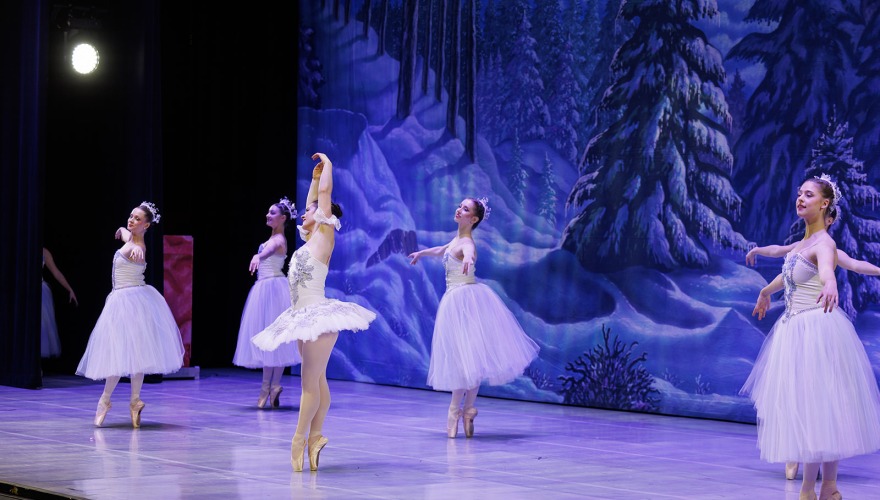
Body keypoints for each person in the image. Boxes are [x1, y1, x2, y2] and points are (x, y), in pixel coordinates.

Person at [740, 175, 880, 500]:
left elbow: (832, 269)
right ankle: (828, 488)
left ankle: (811, 489)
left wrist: (830, 283)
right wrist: (764, 286)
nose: (801, 198)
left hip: (816, 330)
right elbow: (784, 265)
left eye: (809, 194)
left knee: (818, 408)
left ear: (824, 203)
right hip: (794, 330)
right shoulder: (802, 245)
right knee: (815, 408)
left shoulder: (824, 244)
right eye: (799, 193)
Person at [252, 153, 376, 472]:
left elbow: (322, 200)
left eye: (311, 211)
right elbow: (314, 197)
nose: (305, 212)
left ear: (322, 217)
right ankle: (317, 436)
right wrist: (314, 178)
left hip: (319, 319)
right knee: (318, 383)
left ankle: (298, 440)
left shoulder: (324, 237)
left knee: (309, 385)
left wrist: (328, 168)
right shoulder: (307, 242)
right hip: (302, 318)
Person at [408, 197, 539, 439]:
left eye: (465, 209)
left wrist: (468, 259)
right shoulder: (456, 240)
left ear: (474, 219)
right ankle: (468, 410)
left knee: (464, 358)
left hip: (464, 301)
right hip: (459, 300)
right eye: (459, 205)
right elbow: (443, 250)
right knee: (470, 357)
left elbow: (468, 251)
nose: (459, 209)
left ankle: (454, 412)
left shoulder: (467, 242)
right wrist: (422, 253)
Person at [76, 202, 185, 428]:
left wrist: (135, 246)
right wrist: (123, 231)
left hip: (128, 302)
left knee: (123, 356)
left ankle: (107, 400)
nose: (131, 220)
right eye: (131, 216)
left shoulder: (139, 248)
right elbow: (128, 237)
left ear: (146, 225)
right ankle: (131, 401)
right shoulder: (133, 239)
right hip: (128, 301)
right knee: (132, 354)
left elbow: (137, 249)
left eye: (136, 219)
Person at [232, 197, 302, 408]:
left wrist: (258, 256)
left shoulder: (279, 240)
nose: (268, 215)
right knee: (269, 341)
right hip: (266, 288)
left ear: (282, 218)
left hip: (273, 290)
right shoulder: (274, 237)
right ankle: (271, 387)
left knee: (275, 340)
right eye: (268, 212)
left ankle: (269, 387)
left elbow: (269, 251)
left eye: (272, 213)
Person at [41, 247, 78, 358]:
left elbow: (56, 272)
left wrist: (69, 289)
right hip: (22, 289)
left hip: (39, 291)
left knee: (40, 328)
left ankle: (35, 365)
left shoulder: (44, 252)